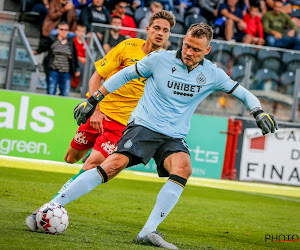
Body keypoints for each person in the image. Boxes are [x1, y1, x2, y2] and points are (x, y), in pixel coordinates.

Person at [28, 22, 278, 249]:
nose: (189, 53)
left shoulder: (212, 74)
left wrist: (258, 112)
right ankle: (50, 206)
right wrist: (95, 99)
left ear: (208, 50)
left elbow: (244, 93)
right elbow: (125, 75)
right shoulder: (159, 59)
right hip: (144, 126)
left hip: (173, 136)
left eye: (196, 50)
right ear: (183, 41)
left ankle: (148, 232)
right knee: (113, 165)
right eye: (187, 46)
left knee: (183, 168)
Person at [26, 8, 175, 232]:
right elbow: (98, 75)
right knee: (71, 158)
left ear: (169, 35)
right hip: (99, 113)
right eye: (157, 28)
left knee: (91, 166)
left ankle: (47, 208)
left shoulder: (166, 63)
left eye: (166, 30)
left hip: (122, 126)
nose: (160, 33)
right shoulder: (127, 46)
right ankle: (93, 150)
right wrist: (94, 109)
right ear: (147, 29)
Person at [34, 22, 80, 96]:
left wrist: (76, 69)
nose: (64, 32)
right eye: (62, 29)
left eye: (66, 30)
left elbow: (74, 55)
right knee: (51, 90)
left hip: (66, 71)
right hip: (53, 70)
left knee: (65, 92)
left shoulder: (70, 42)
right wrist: (37, 51)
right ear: (58, 30)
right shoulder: (53, 40)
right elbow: (44, 47)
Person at [71, 24, 87, 89]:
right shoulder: (72, 41)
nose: (81, 33)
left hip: (84, 61)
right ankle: (80, 86)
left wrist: (85, 59)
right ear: (75, 31)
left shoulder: (87, 43)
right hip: (75, 61)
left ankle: (83, 86)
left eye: (83, 31)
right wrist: (80, 58)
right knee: (80, 65)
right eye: (79, 31)